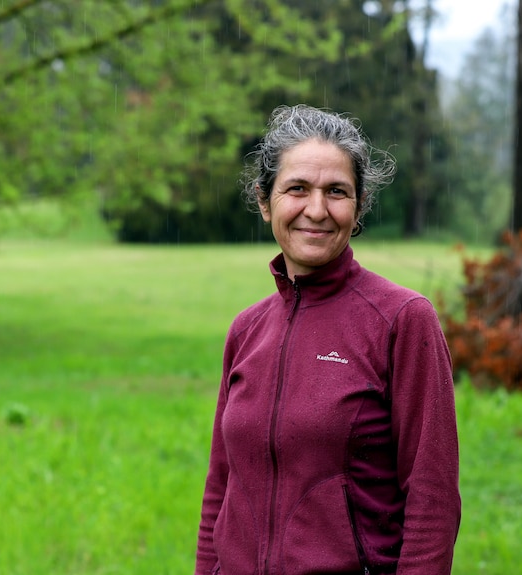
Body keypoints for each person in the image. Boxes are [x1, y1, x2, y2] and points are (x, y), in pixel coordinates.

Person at [194, 104, 461, 575]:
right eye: (297, 189)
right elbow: (221, 487)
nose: (316, 210)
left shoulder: (402, 320)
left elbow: (432, 495)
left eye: (336, 192)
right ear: (264, 200)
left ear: (358, 208)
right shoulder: (246, 330)